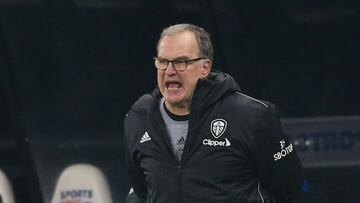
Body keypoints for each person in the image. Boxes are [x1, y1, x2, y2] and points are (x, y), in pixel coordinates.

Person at [123, 23, 304, 203]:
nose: (169, 71)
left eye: (181, 62)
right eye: (162, 62)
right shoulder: (139, 116)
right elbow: (140, 191)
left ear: (205, 67)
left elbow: (288, 187)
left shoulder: (252, 116)